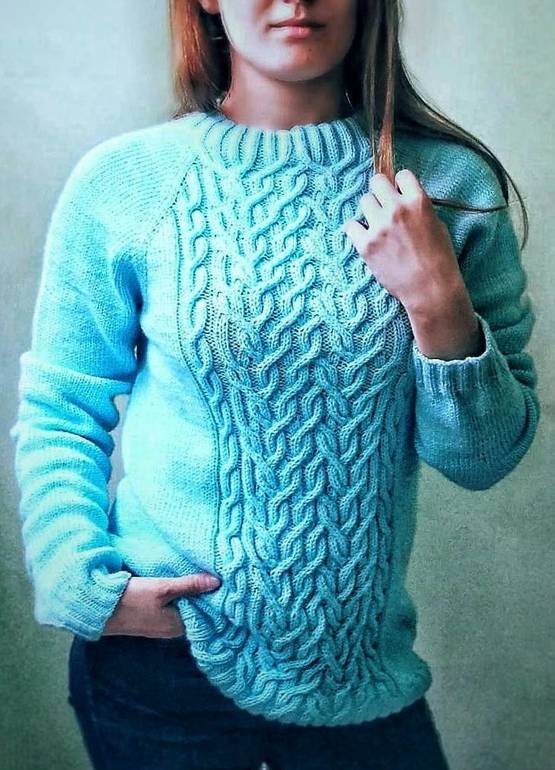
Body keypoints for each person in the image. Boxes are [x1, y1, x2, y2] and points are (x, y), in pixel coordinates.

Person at [10, 1, 541, 768]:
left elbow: (482, 459)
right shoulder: (127, 182)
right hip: (163, 663)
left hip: (363, 671)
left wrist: (436, 301)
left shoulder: (448, 186)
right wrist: (80, 582)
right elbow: (63, 407)